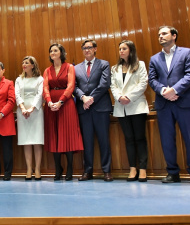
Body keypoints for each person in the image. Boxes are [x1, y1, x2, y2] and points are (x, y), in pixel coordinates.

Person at [148, 26, 190, 185]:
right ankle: (172, 173)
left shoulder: (186, 52)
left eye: (164, 33)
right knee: (167, 140)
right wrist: (164, 90)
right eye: (159, 35)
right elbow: (152, 80)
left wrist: (175, 90)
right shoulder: (154, 59)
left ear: (174, 36)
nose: (160, 37)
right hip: (164, 103)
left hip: (184, 101)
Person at [74, 39, 113, 181]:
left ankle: (107, 171)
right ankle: (88, 171)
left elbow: (105, 84)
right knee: (87, 141)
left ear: (95, 49)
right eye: (84, 48)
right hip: (84, 108)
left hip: (100, 107)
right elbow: (74, 86)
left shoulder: (104, 64)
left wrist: (91, 99)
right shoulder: (76, 68)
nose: (87, 50)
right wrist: (83, 97)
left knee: (104, 140)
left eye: (90, 47)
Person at [43, 44, 83, 181]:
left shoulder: (69, 67)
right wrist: (49, 102)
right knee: (54, 135)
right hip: (51, 105)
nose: (53, 53)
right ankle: (58, 168)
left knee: (67, 135)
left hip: (66, 104)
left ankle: (70, 168)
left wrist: (60, 102)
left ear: (61, 53)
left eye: (55, 50)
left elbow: (71, 86)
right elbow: (45, 88)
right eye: (51, 51)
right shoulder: (47, 70)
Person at [110, 40, 149, 182]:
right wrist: (120, 97)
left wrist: (129, 97)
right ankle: (133, 168)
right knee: (129, 139)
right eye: (120, 49)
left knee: (140, 138)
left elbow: (143, 83)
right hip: (122, 107)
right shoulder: (115, 68)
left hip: (136, 105)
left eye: (124, 48)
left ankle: (143, 169)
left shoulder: (140, 65)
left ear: (131, 50)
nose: (121, 51)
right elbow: (113, 86)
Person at [15, 56, 44, 180]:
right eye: (23, 62)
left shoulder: (40, 79)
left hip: (36, 112)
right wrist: (22, 108)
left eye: (27, 62)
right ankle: (28, 169)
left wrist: (31, 109)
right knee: (26, 141)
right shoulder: (19, 79)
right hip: (22, 113)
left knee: (37, 141)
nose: (24, 64)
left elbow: (40, 94)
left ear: (33, 65)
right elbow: (17, 94)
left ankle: (37, 169)